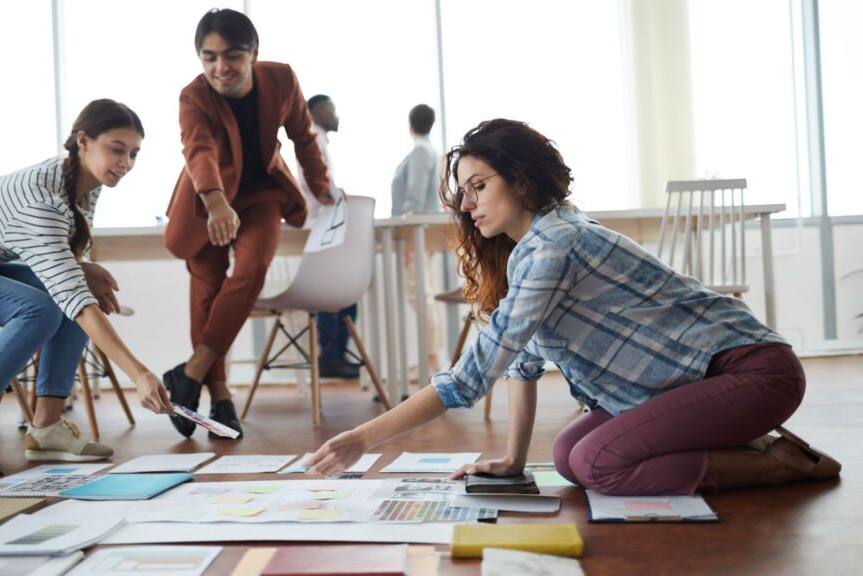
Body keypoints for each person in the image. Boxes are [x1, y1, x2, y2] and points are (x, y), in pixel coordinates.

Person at [306, 119, 841, 495]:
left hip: (752, 374)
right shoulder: (531, 248)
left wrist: (362, 439)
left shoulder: (554, 245)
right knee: (567, 456)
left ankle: (781, 464)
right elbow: (520, 363)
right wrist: (513, 460)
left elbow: (471, 378)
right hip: (695, 380)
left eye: (478, 187)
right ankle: (740, 441)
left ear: (520, 180)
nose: (467, 206)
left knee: (598, 463)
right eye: (463, 192)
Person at [0, 99, 173, 477]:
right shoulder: (42, 199)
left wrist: (80, 268)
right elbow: (74, 298)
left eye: (134, 153)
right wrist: (139, 375)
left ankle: (46, 430)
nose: (126, 163)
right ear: (83, 141)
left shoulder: (83, 184)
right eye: (117, 149)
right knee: (40, 308)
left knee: (66, 295)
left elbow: (65, 270)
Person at [163, 9, 334, 439]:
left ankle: (190, 372)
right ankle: (220, 397)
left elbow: (303, 136)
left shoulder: (281, 79)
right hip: (207, 200)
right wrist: (216, 201)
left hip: (262, 195)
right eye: (209, 57)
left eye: (232, 56)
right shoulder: (193, 97)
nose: (221, 67)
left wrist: (322, 186)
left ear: (253, 53)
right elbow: (198, 150)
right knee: (207, 291)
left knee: (253, 267)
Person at [296, 94, 358, 380]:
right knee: (336, 289)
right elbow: (317, 184)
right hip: (322, 224)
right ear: (317, 111)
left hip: (322, 223)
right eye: (331, 109)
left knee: (338, 288)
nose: (336, 115)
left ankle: (334, 354)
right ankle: (331, 356)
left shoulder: (317, 140)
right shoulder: (313, 140)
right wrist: (337, 196)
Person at [391, 104, 444, 376]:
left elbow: (414, 197)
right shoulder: (430, 151)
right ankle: (431, 359)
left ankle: (430, 362)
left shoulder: (422, 152)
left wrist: (408, 238)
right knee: (425, 295)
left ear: (411, 123)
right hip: (424, 232)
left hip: (416, 232)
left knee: (421, 296)